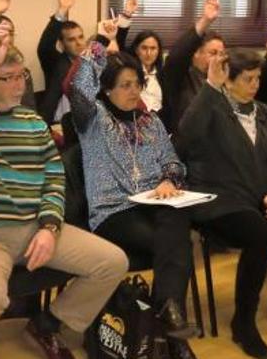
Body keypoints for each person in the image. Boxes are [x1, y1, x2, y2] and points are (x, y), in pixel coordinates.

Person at [0, 25, 128, 359]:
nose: (19, 85)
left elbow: (53, 178)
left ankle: (48, 323)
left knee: (113, 262)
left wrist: (50, 228)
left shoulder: (33, 123)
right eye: (7, 77)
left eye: (21, 75)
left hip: (34, 229)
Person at [177, 49, 267, 357]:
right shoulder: (210, 107)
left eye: (258, 78)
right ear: (228, 80)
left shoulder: (264, 112)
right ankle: (244, 323)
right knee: (260, 237)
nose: (255, 84)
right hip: (220, 200)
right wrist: (210, 88)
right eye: (248, 79)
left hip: (260, 198)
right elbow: (183, 140)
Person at [67, 31, 197, 359]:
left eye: (137, 84)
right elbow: (76, 89)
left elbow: (173, 162)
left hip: (153, 202)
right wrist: (99, 42)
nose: (133, 91)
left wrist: (168, 180)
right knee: (172, 244)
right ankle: (172, 334)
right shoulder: (93, 120)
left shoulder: (150, 122)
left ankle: (168, 316)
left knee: (177, 217)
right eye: (124, 85)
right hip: (114, 211)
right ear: (107, 89)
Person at [37, 0, 136, 125]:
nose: (78, 43)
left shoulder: (94, 59)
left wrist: (126, 15)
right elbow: (44, 46)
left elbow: (115, 46)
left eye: (80, 37)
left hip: (92, 123)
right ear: (61, 44)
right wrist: (62, 10)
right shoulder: (56, 63)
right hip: (59, 125)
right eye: (71, 39)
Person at [160, 0, 222, 131]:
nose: (218, 58)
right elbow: (176, 57)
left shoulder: (223, 80)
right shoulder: (180, 77)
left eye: (221, 54)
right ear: (196, 54)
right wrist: (205, 21)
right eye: (212, 53)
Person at [129, 30, 166, 112]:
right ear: (136, 50)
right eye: (144, 48)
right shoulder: (130, 73)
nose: (149, 53)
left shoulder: (163, 74)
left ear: (158, 51)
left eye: (153, 48)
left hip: (159, 119)